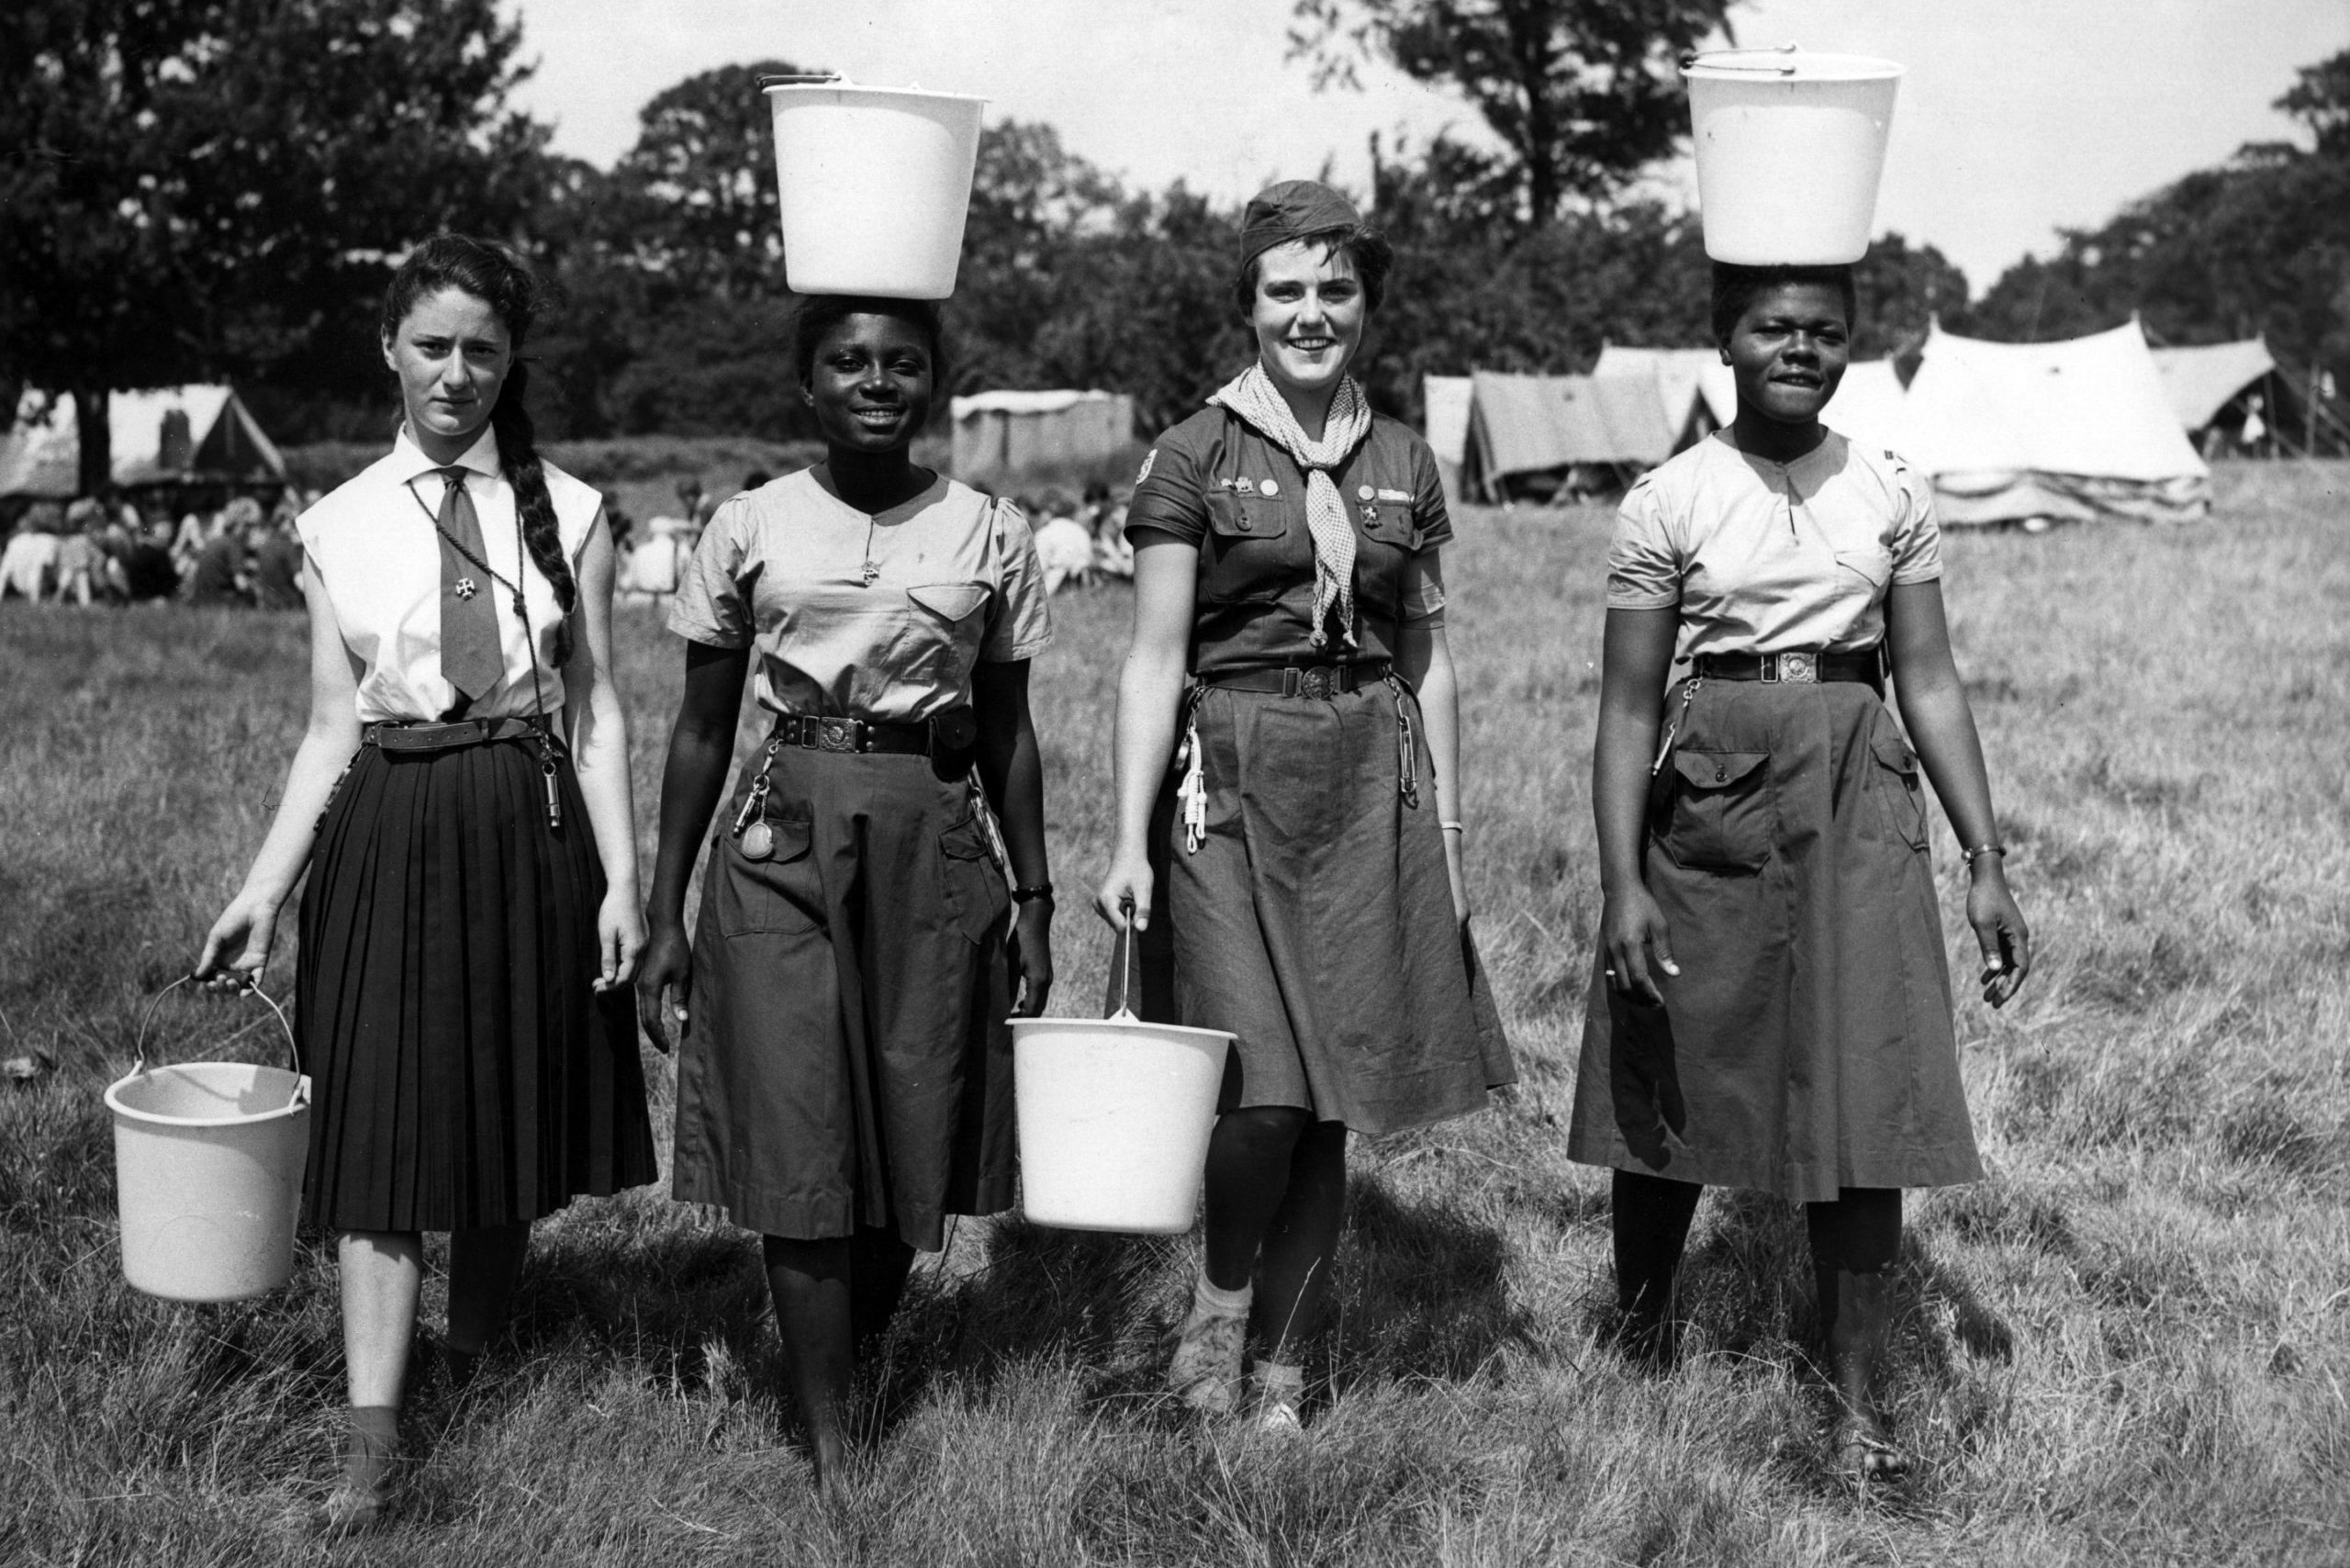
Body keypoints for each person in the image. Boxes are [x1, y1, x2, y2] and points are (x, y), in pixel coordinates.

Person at [195, 234, 656, 1534]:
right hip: (387, 828)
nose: (458, 375)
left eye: (484, 351)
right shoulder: (334, 524)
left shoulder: (572, 512)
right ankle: (371, 1453)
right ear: (389, 350)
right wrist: (264, 889)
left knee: (506, 1101)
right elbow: (327, 727)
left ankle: (478, 1353)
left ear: (513, 362)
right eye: (434, 347)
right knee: (380, 1131)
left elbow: (598, 709)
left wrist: (626, 880)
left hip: (527, 822)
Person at [1572, 262, 2033, 1484]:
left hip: (1857, 786)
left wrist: (1985, 858)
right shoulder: (1669, 497)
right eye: (1773, 327)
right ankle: (1642, 1338)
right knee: (1677, 1051)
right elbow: (1627, 706)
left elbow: (1926, 677)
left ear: (1848, 346)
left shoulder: (1890, 487)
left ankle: (1857, 1397)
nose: (1799, 349)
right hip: (1713, 789)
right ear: (1725, 339)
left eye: (1824, 331)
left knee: (1862, 1080)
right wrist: (1623, 883)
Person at [1093, 180, 1514, 1432]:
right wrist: (1124, 842)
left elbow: (1429, 658)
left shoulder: (1404, 462)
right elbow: (1153, 659)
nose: (1311, 313)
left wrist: (1447, 834)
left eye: (1336, 289)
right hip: (1229, 780)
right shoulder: (1193, 453)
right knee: (1266, 1098)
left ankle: (1283, 1374)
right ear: (1251, 305)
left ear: (1367, 304)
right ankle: (1217, 1314)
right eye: (1286, 290)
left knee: (1334, 1108)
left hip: (1367, 780)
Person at [636, 295, 1055, 1495]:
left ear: (934, 383)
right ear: (807, 384)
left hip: (933, 836)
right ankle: (831, 1448)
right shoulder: (749, 524)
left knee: (913, 1120)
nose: (876, 382)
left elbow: (1010, 731)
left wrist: (1035, 897)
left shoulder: (991, 530)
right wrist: (663, 914)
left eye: (902, 363)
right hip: (782, 833)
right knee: (802, 1128)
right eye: (848, 362)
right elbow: (701, 728)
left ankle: (851, 1359)